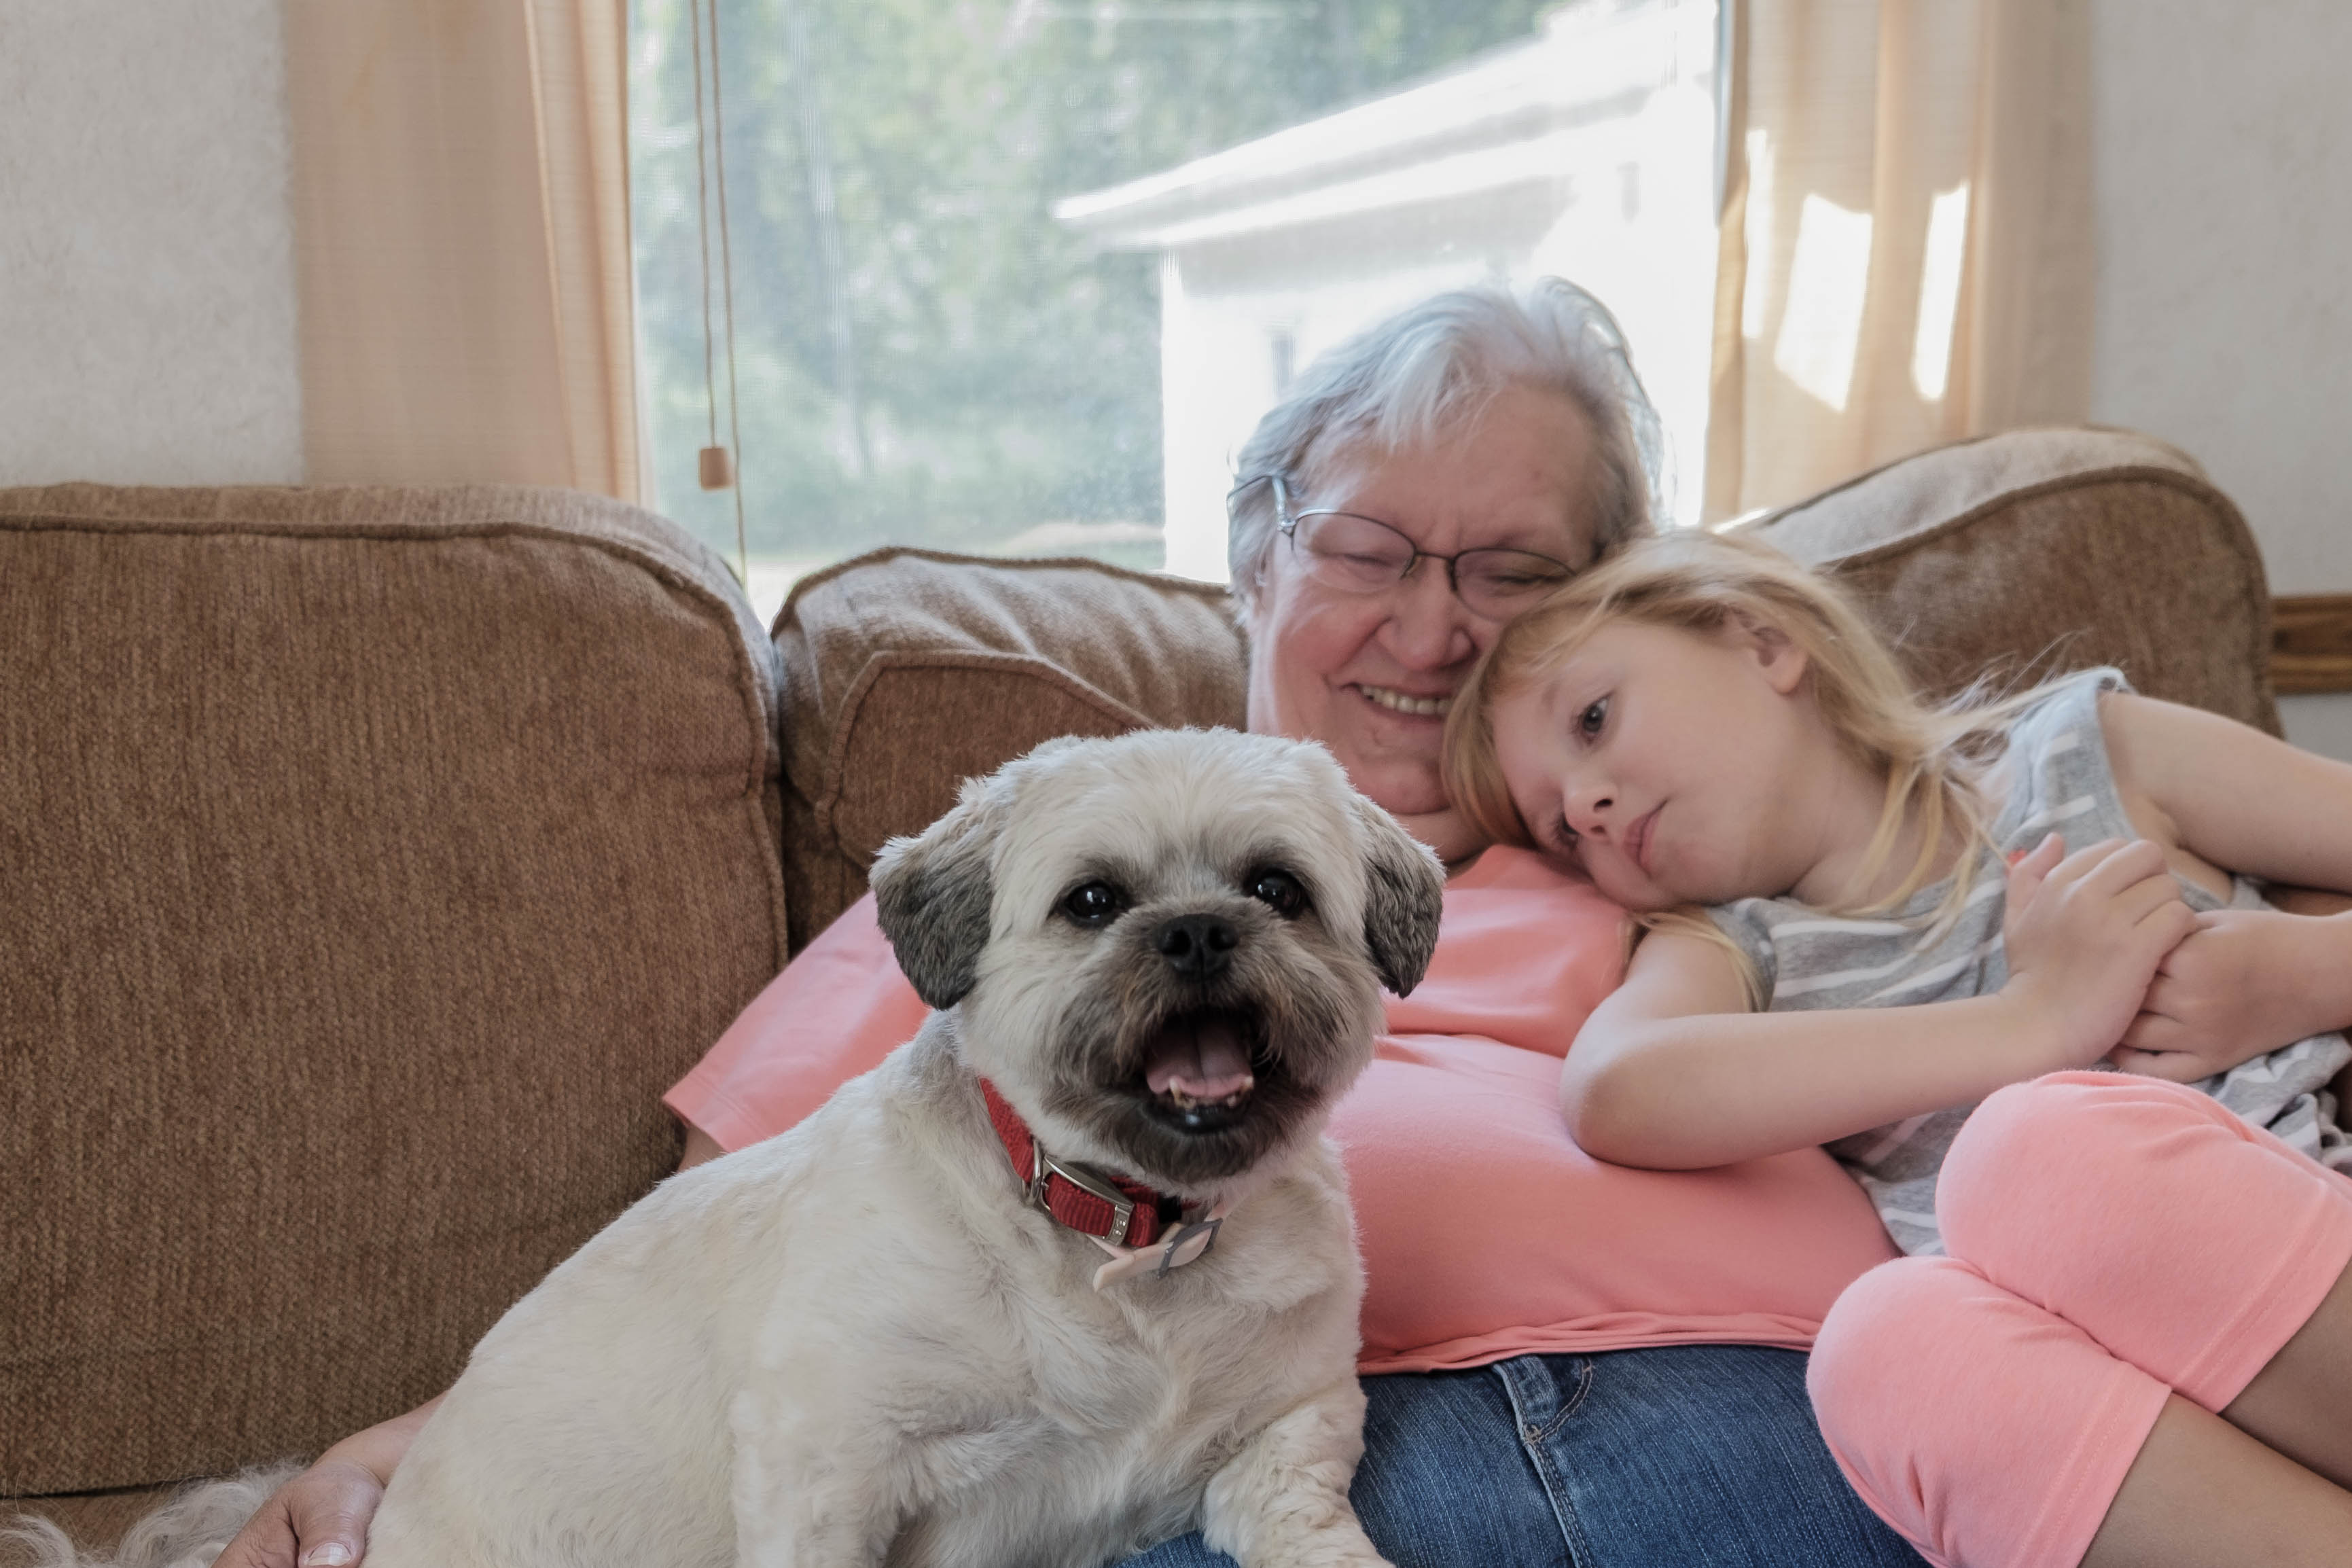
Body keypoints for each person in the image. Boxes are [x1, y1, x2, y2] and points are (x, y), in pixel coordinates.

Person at [216, 278, 1948, 1568]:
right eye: (1368, 548)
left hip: (1787, 1431)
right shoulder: (1004, 910)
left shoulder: (1697, 861)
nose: (1431, 628)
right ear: (1252, 560)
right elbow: (713, 1317)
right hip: (1254, 1482)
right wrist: (394, 1465)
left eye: (1509, 570)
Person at [1444, 525, 2352, 1567]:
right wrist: (2035, 1023)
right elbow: (1617, 1089)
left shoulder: (2086, 758)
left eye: (1594, 720)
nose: (1586, 804)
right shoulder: (1735, 951)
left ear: (1759, 640)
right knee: (1884, 1349)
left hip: (2304, 1299)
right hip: (2129, 1429)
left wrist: (2304, 971)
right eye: (1559, 828)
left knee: (2042, 1156)